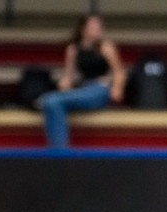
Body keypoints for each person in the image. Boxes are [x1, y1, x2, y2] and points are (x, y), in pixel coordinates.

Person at [38, 14, 125, 148]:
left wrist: (117, 88)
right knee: (51, 102)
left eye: (99, 27)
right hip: (82, 89)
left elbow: (119, 71)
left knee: (52, 100)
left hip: (99, 89)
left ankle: (59, 153)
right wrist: (64, 84)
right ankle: (59, 150)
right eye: (93, 27)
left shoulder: (105, 47)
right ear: (83, 29)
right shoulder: (73, 49)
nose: (97, 30)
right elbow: (69, 76)